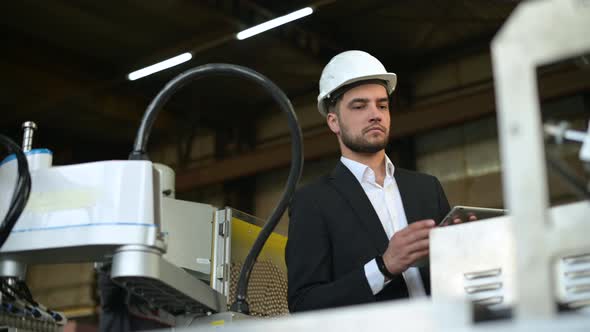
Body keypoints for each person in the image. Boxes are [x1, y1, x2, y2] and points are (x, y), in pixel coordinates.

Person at [285, 50, 452, 312]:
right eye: (360, 106)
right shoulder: (313, 202)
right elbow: (304, 303)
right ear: (334, 122)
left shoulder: (427, 188)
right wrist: (383, 267)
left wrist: (470, 245)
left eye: (382, 105)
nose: (375, 114)